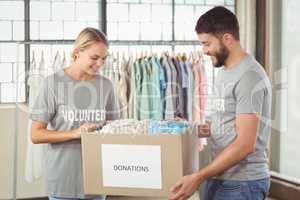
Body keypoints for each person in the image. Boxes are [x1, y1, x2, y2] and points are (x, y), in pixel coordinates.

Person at [168, 6, 272, 200]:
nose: (204, 51)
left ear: (227, 39)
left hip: (242, 183)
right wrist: (189, 128)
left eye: (207, 44)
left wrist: (198, 177)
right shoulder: (224, 72)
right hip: (220, 177)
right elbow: (218, 124)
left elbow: (245, 144)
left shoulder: (249, 77)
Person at [30, 27, 120, 200]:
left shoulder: (106, 86)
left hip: (97, 179)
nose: (100, 63)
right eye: (94, 58)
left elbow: (114, 128)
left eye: (104, 58)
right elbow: (36, 134)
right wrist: (74, 133)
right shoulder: (53, 83)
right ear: (77, 52)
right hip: (63, 180)